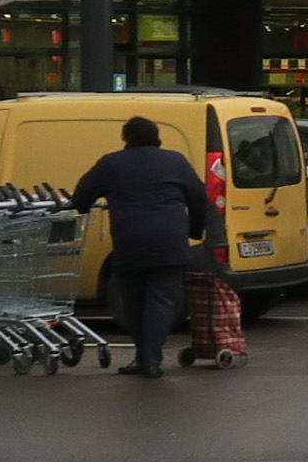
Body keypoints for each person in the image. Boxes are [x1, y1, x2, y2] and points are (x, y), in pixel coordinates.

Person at [69, 115, 212, 377]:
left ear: (126, 138)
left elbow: (82, 194)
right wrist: (194, 229)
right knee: (161, 301)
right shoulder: (175, 161)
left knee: (133, 303)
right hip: (170, 242)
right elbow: (200, 196)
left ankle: (143, 356)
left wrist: (81, 205)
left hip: (130, 242)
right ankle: (151, 359)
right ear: (157, 136)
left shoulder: (111, 164)